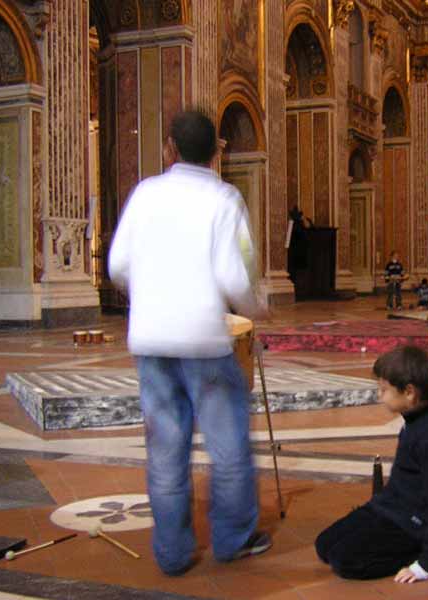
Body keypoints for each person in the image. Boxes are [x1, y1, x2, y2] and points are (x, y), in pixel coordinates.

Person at [108, 110, 271, 575]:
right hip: (203, 338)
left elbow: (118, 264)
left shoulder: (145, 194)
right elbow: (235, 273)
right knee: (228, 445)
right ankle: (233, 538)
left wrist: (152, 296)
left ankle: (174, 553)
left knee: (165, 447)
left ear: (169, 149)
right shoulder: (225, 198)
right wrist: (253, 306)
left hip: (152, 340)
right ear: (216, 153)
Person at [315, 346, 428, 583]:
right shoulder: (416, 420)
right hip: (391, 508)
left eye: (384, 390)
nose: (379, 395)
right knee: (324, 545)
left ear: (409, 392)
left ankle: (424, 553)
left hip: (412, 525)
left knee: (345, 561)